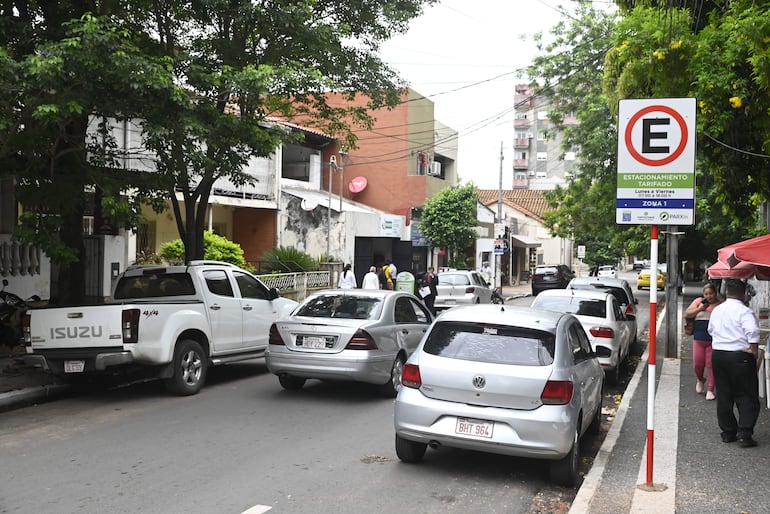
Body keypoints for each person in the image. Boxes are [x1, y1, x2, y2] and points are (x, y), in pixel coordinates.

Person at [707, 279, 761, 447]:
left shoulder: (717, 310)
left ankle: (728, 432)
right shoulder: (744, 312)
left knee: (724, 394)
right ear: (743, 293)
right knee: (746, 394)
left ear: (727, 292)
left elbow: (711, 330)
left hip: (719, 355)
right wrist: (753, 348)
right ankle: (744, 433)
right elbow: (752, 330)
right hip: (739, 356)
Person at [684, 283, 722, 400]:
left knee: (711, 365)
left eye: (711, 293)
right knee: (698, 364)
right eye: (706, 294)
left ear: (715, 293)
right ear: (703, 295)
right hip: (699, 338)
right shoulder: (698, 302)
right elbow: (688, 313)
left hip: (714, 340)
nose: (709, 296)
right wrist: (700, 308)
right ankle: (700, 379)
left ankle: (710, 390)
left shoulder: (720, 305)